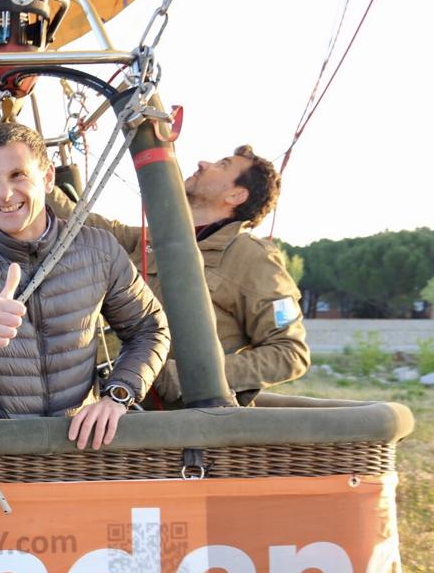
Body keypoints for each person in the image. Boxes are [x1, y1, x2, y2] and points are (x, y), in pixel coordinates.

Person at [0, 123, 169, 450]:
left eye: (18, 175)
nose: (4, 194)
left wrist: (118, 394)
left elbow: (149, 328)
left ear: (47, 178)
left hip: (81, 444)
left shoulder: (98, 249)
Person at [49, 144, 308, 407]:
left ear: (236, 195)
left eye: (223, 165)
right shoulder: (156, 240)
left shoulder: (252, 257)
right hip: (119, 407)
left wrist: (192, 376)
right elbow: (79, 225)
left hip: (189, 426)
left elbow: (290, 353)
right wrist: (35, 180)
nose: (203, 163)